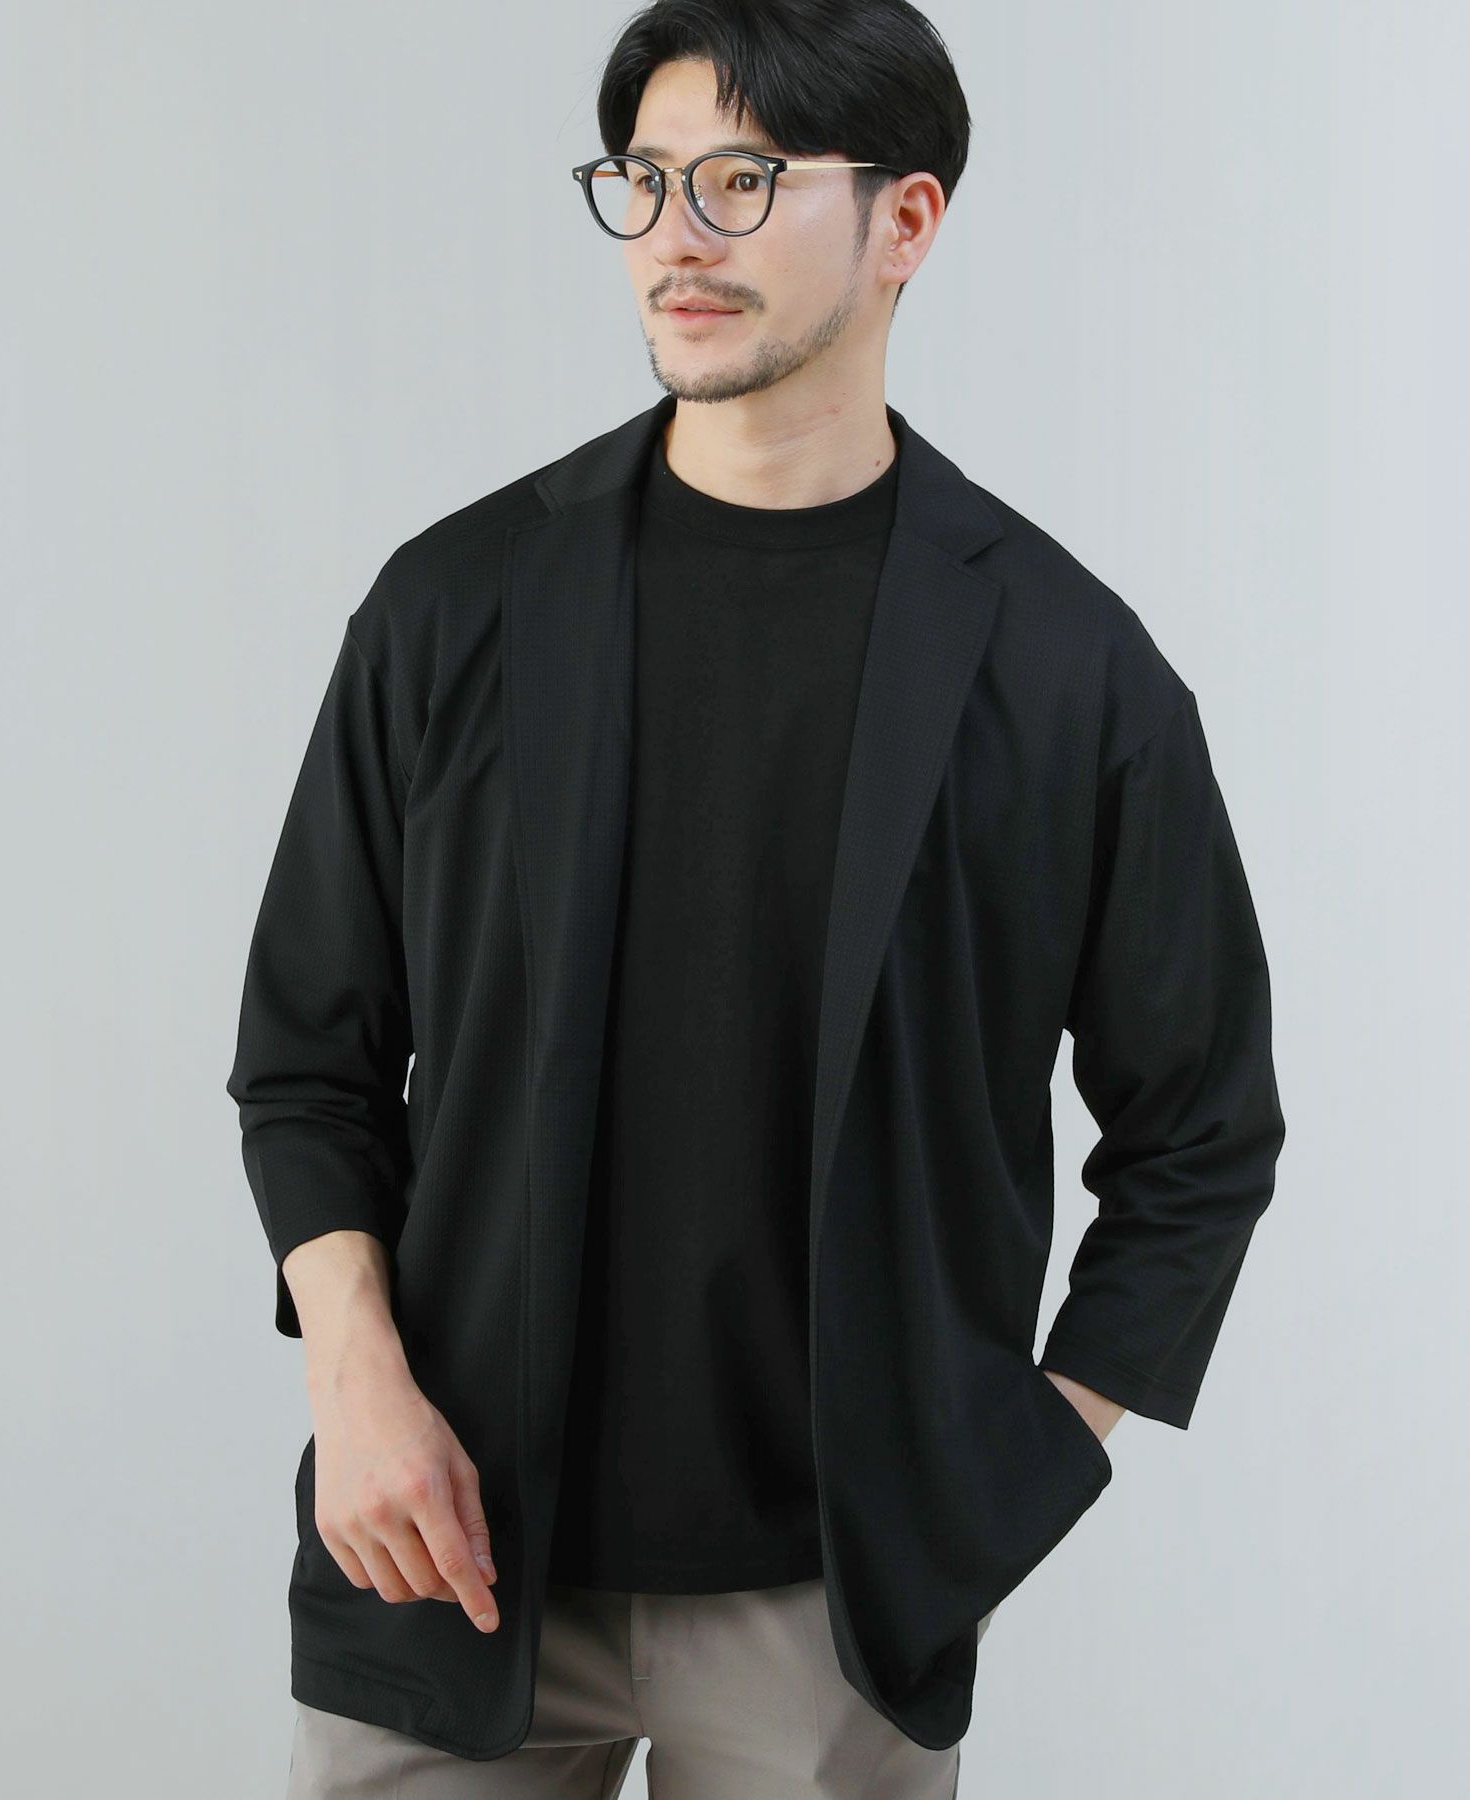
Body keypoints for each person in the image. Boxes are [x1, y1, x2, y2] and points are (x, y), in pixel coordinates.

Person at [226, 3, 1286, 1794]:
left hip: (835, 1600)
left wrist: (1014, 1467)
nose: (675, 236)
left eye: (743, 179)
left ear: (906, 220)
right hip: (445, 1539)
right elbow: (308, 1059)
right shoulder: (454, 605)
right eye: (642, 181)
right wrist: (356, 1380)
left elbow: (1201, 1128)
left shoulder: (1067, 670)